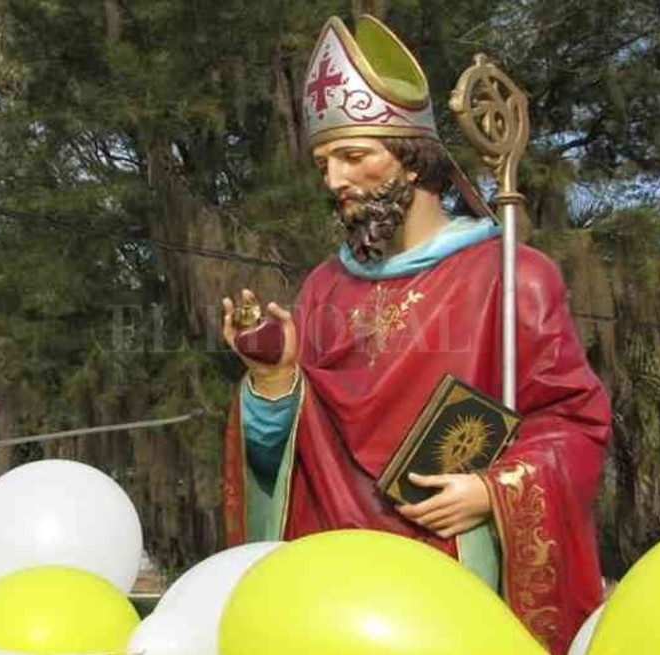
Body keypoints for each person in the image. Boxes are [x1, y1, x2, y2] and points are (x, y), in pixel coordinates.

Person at [219, 14, 611, 655]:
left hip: (453, 575)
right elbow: (289, 456)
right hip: (333, 582)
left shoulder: (512, 276)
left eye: (352, 157)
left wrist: (493, 491)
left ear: (415, 161)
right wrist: (273, 378)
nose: (334, 182)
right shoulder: (323, 289)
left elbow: (574, 422)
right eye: (324, 163)